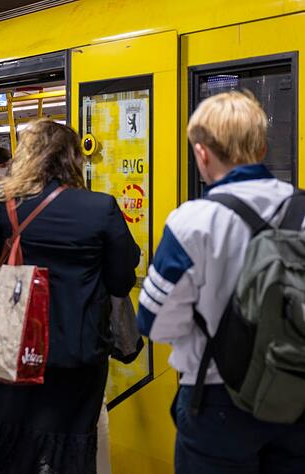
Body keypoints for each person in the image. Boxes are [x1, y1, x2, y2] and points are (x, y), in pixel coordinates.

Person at [138, 91, 305, 473]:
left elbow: (154, 321)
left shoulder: (193, 220)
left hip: (216, 399)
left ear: (201, 152)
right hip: (298, 394)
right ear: (262, 148)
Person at [0, 119, 139, 473]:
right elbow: (122, 279)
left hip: (15, 344)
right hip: (79, 348)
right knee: (72, 439)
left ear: (26, 156)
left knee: (11, 439)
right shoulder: (100, 207)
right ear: (73, 158)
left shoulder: (3, 201)